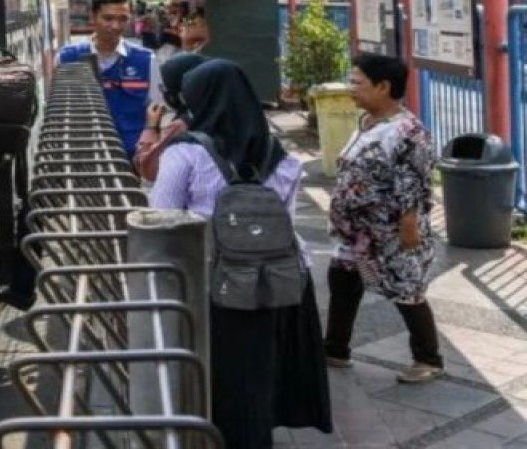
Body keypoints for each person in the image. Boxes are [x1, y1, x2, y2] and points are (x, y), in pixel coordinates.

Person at [150, 59, 333, 448]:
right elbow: (283, 217)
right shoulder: (281, 156)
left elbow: (161, 219)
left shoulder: (186, 154)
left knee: (224, 370)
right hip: (281, 278)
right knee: (264, 366)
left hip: (216, 280)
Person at [324, 53, 444, 383]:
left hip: (390, 231)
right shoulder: (368, 124)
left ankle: (428, 358)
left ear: (383, 87)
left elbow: (413, 183)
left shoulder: (407, 131)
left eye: (358, 83)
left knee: (406, 289)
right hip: (357, 234)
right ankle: (335, 349)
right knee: (343, 281)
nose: (352, 89)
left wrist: (407, 228)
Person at [57, 0, 162, 158]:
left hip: (131, 155)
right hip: (82, 155)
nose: (115, 26)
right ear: (92, 17)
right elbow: (58, 109)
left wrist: (150, 133)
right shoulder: (67, 57)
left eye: (123, 19)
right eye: (108, 18)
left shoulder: (145, 59)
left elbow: (156, 105)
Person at [132, 52, 207, 182]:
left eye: (165, 86)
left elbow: (147, 167)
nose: (164, 92)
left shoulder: (183, 124)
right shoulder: (233, 110)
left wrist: (151, 127)